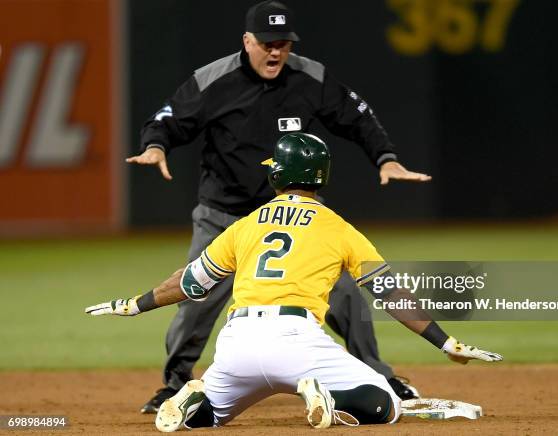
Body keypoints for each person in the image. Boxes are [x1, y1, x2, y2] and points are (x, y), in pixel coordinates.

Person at [127, 0, 432, 413]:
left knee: (345, 294)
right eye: (267, 43)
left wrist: (386, 156)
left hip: (296, 212)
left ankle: (378, 375)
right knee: (196, 301)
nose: (275, 51)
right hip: (226, 213)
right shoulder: (214, 79)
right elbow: (168, 118)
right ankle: (174, 385)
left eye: (283, 43)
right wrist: (155, 144)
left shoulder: (310, 77)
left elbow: (357, 116)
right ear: (247, 41)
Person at [86, 133, 502, 430]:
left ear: (280, 173)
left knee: (208, 419)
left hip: (237, 344)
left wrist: (135, 304)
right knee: (387, 404)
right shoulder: (337, 228)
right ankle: (330, 401)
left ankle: (198, 400)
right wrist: (444, 342)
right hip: (299, 342)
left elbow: (191, 284)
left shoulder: (246, 225)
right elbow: (389, 292)